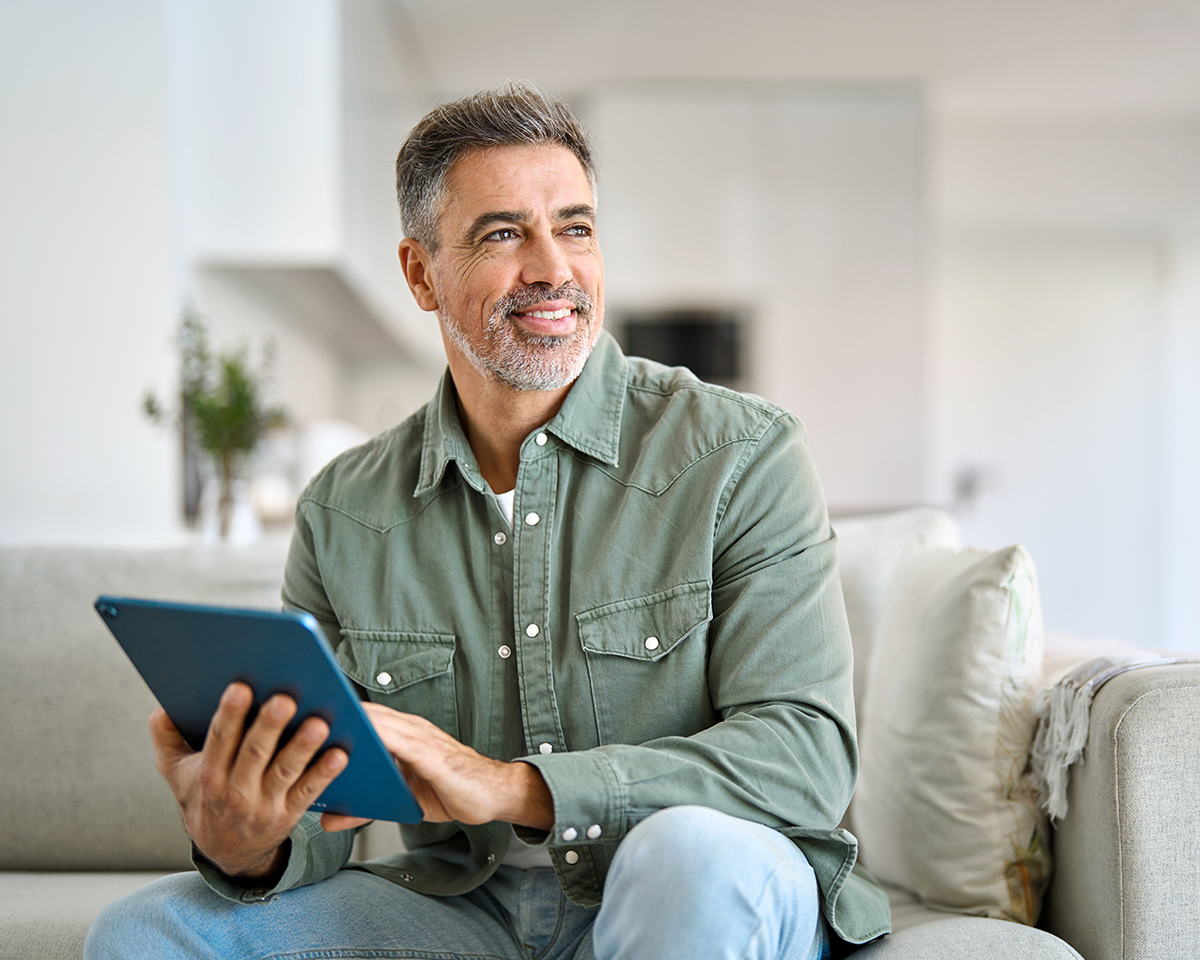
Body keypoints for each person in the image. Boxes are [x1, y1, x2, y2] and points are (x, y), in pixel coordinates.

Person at [85, 82, 890, 960]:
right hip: (462, 913)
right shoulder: (344, 510)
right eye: (504, 233)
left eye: (575, 227)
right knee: (145, 932)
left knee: (686, 853)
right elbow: (327, 805)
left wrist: (513, 787)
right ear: (421, 274)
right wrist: (250, 842)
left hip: (686, 890)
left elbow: (804, 757)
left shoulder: (742, 454)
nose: (554, 267)